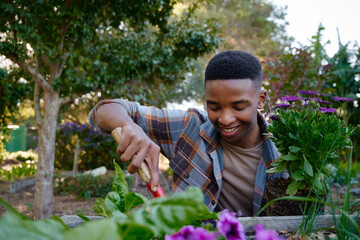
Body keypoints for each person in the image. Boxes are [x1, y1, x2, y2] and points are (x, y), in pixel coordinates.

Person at [89, 50, 285, 216]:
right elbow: (103, 112)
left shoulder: (286, 152)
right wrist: (128, 125)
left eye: (238, 106)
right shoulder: (190, 127)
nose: (225, 119)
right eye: (214, 106)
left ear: (260, 99)